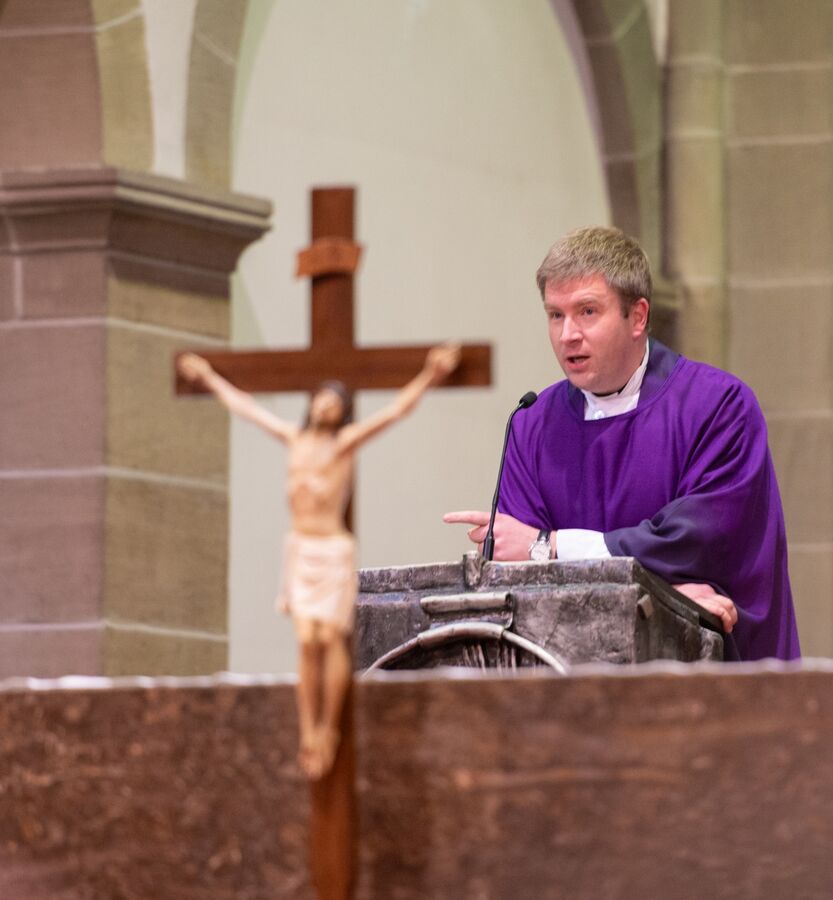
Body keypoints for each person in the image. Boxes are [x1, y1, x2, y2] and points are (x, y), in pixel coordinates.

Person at [444, 227, 799, 661]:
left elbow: (697, 543)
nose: (567, 334)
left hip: (707, 680)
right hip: (568, 682)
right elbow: (521, 580)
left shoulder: (718, 406)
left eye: (587, 311)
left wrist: (550, 548)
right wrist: (661, 590)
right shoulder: (532, 424)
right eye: (555, 315)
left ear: (639, 317)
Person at [180, 343, 461, 776]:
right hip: (301, 548)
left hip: (331, 549)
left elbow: (394, 412)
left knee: (330, 638)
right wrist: (207, 377)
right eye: (322, 398)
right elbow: (246, 408)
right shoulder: (294, 439)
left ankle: (330, 727)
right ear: (311, 404)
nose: (327, 405)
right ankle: (308, 728)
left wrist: (431, 375)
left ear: (342, 412)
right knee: (306, 640)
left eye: (336, 402)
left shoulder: (344, 443)